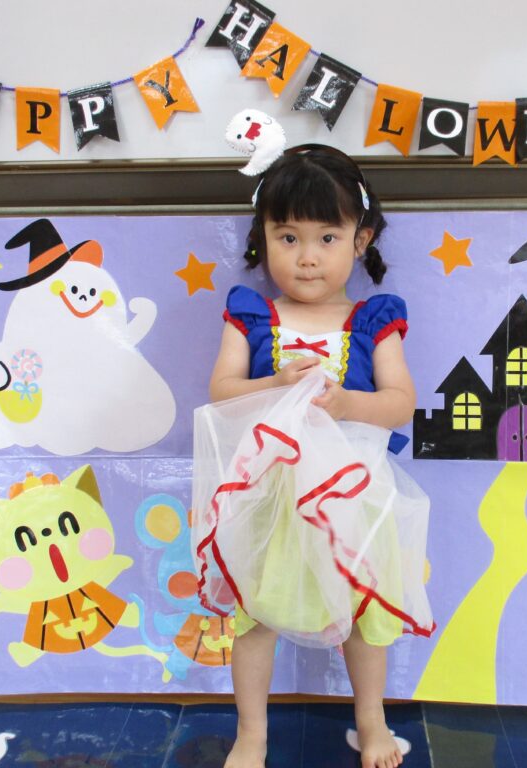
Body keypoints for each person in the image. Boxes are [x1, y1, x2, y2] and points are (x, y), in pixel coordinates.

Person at [197, 145, 433, 768]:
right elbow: (221, 391)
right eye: (288, 237)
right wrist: (276, 384)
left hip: (354, 499)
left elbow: (400, 403)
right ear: (263, 238)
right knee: (254, 615)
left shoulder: (372, 320)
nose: (307, 256)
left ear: (361, 240)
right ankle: (252, 734)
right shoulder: (252, 315)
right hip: (270, 499)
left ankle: (372, 720)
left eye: (327, 237)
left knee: (364, 613)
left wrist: (347, 403)